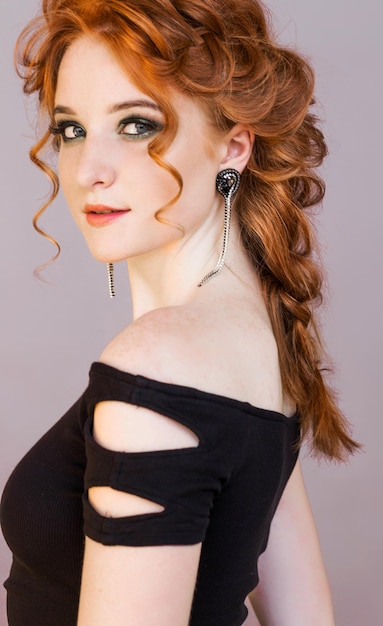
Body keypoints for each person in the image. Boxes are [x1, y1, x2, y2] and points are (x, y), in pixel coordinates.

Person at [0, 0, 359, 624]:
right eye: (71, 130)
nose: (89, 169)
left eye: (137, 126)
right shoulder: (258, 346)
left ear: (233, 148)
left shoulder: (159, 365)